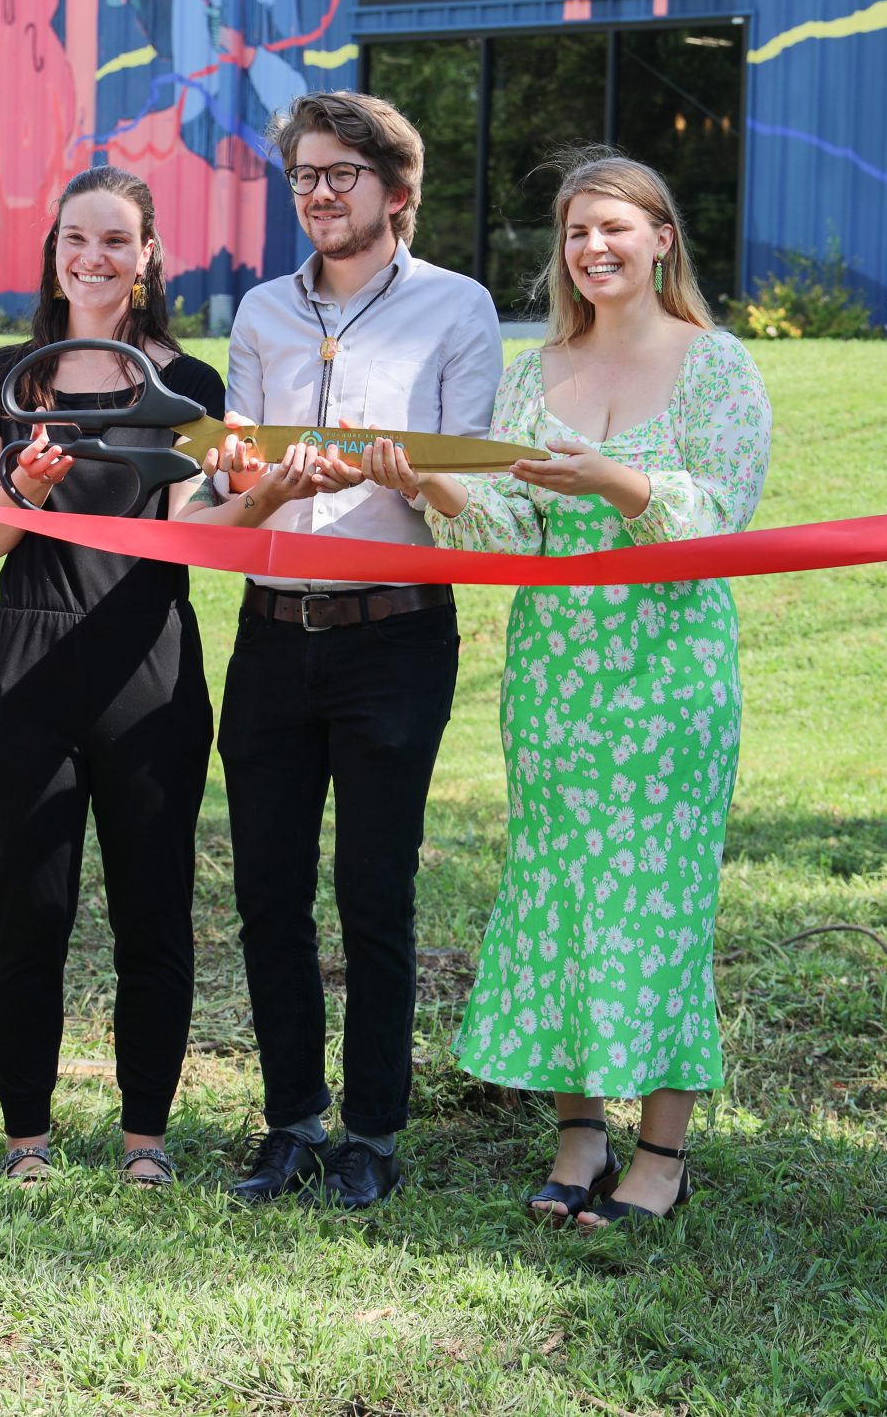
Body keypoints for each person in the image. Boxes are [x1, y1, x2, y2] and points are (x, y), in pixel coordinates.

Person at [362, 149, 771, 1229]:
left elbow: (719, 521)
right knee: (559, 900)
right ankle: (578, 1131)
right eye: (577, 232)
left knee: (661, 905)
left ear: (660, 239)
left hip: (669, 675)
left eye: (614, 229)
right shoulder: (532, 372)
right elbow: (511, 532)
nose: (593, 249)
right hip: (556, 674)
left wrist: (616, 479)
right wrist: (433, 481)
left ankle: (662, 1149)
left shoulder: (714, 365)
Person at [0, 167, 330, 1187]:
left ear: (149, 255)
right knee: (28, 908)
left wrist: (259, 496)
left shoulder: (194, 390)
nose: (95, 258)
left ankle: (144, 1142)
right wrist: (17, 490)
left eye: (118, 241)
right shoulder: (4, 376)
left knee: (152, 912)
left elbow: (196, 536)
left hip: (148, 658)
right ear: (54, 249)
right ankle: (25, 1138)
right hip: (28, 657)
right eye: (79, 238)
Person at [211, 90, 504, 1208]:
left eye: (342, 174)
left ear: (397, 190)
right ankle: (291, 1122)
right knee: (267, 894)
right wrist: (255, 479)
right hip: (273, 637)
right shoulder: (257, 315)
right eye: (305, 177)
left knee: (375, 892)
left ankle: (372, 1132)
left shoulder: (457, 309)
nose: (320, 194)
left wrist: (408, 475)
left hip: (394, 638)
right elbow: (225, 475)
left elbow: (471, 490)